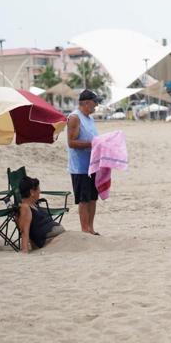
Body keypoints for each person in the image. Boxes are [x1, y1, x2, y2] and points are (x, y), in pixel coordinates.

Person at [67, 89, 101, 236]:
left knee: (93, 198)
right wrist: (91, 144)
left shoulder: (90, 118)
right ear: (87, 103)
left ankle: (91, 228)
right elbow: (71, 142)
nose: (97, 105)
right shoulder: (75, 118)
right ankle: (84, 230)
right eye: (95, 102)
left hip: (93, 165)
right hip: (80, 167)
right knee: (84, 199)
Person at [16, 176, 66, 254]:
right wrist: (25, 250)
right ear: (32, 192)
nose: (40, 191)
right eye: (38, 189)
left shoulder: (34, 205)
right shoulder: (25, 207)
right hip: (50, 241)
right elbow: (24, 231)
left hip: (57, 238)